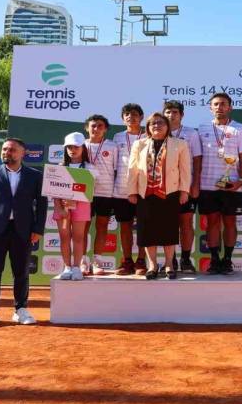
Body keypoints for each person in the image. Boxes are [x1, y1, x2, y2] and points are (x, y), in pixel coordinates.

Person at [0, 138, 47, 328]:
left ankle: (21, 309)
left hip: (23, 231)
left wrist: (38, 229)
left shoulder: (35, 176)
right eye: (4, 149)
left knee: (21, 272)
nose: (7, 152)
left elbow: (42, 204)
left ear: (23, 153)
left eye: (12, 150)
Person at [126, 112, 192, 280]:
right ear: (148, 127)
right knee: (147, 231)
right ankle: (153, 265)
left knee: (169, 229)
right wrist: (132, 191)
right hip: (145, 193)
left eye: (161, 123)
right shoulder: (139, 144)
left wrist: (184, 191)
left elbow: (185, 170)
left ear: (167, 126)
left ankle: (169, 264)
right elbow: (133, 169)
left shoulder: (180, 144)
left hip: (170, 192)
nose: (157, 126)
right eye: (153, 123)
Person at [197, 93, 242, 275]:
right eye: (216, 104)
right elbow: (197, 158)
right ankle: (214, 259)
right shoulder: (202, 128)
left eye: (223, 104)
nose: (219, 107)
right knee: (212, 222)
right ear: (210, 108)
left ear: (230, 107)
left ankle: (227, 260)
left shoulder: (240, 129)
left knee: (230, 222)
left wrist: (241, 180)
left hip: (231, 184)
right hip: (207, 185)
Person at [163, 100, 202, 273]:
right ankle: (170, 260)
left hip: (185, 185)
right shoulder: (157, 131)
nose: (171, 115)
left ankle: (185, 259)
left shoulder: (191, 133)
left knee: (186, 222)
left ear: (182, 115)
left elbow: (197, 159)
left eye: (175, 112)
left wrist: (195, 183)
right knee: (168, 223)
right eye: (168, 112)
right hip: (164, 186)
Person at [112, 104, 148, 275]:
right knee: (125, 226)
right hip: (122, 189)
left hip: (144, 189)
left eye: (134, 114)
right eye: (127, 114)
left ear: (141, 117)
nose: (130, 117)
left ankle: (141, 260)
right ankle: (127, 260)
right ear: (122, 118)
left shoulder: (149, 136)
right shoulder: (117, 137)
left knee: (144, 226)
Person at [54, 132, 94, 281]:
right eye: (69, 147)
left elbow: (91, 190)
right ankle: (67, 267)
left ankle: (77, 267)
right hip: (62, 207)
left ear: (83, 148)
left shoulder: (90, 168)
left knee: (78, 237)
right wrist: (59, 207)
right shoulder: (59, 167)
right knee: (64, 237)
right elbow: (54, 190)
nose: (72, 150)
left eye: (76, 147)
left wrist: (75, 200)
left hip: (81, 206)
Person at [82, 114, 118, 276]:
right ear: (87, 128)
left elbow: (117, 170)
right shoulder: (81, 145)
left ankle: (97, 261)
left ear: (106, 129)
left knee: (102, 226)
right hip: (84, 192)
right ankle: (82, 261)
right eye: (93, 125)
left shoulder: (112, 146)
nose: (96, 129)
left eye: (100, 126)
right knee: (82, 228)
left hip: (106, 192)